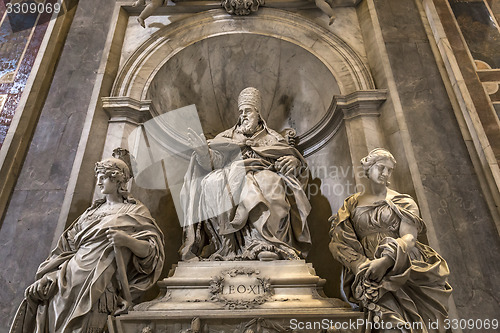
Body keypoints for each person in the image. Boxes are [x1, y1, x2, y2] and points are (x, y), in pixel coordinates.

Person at [10, 149, 165, 333]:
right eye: (98, 176)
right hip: (66, 280)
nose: (98, 182)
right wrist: (49, 276)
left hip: (98, 284)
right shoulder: (90, 213)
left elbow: (152, 254)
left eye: (104, 177)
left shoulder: (135, 212)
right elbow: (65, 250)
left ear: (118, 181)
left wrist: (127, 241)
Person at [180, 87, 311, 261]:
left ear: (258, 113)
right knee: (212, 181)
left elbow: (292, 160)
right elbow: (214, 162)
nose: (243, 115)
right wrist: (204, 153)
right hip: (231, 174)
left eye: (247, 111)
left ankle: (264, 242)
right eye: (240, 111)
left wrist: (293, 162)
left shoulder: (274, 138)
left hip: (264, 172)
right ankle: (226, 245)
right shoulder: (227, 136)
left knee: (269, 182)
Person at [329, 148, 452, 332]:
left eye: (389, 170)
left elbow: (409, 238)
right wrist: (360, 265)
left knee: (404, 323)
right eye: (381, 167)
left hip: (401, 268)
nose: (385, 173)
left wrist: (385, 261)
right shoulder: (351, 204)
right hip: (369, 272)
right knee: (386, 323)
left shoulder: (403, 201)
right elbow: (340, 241)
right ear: (368, 168)